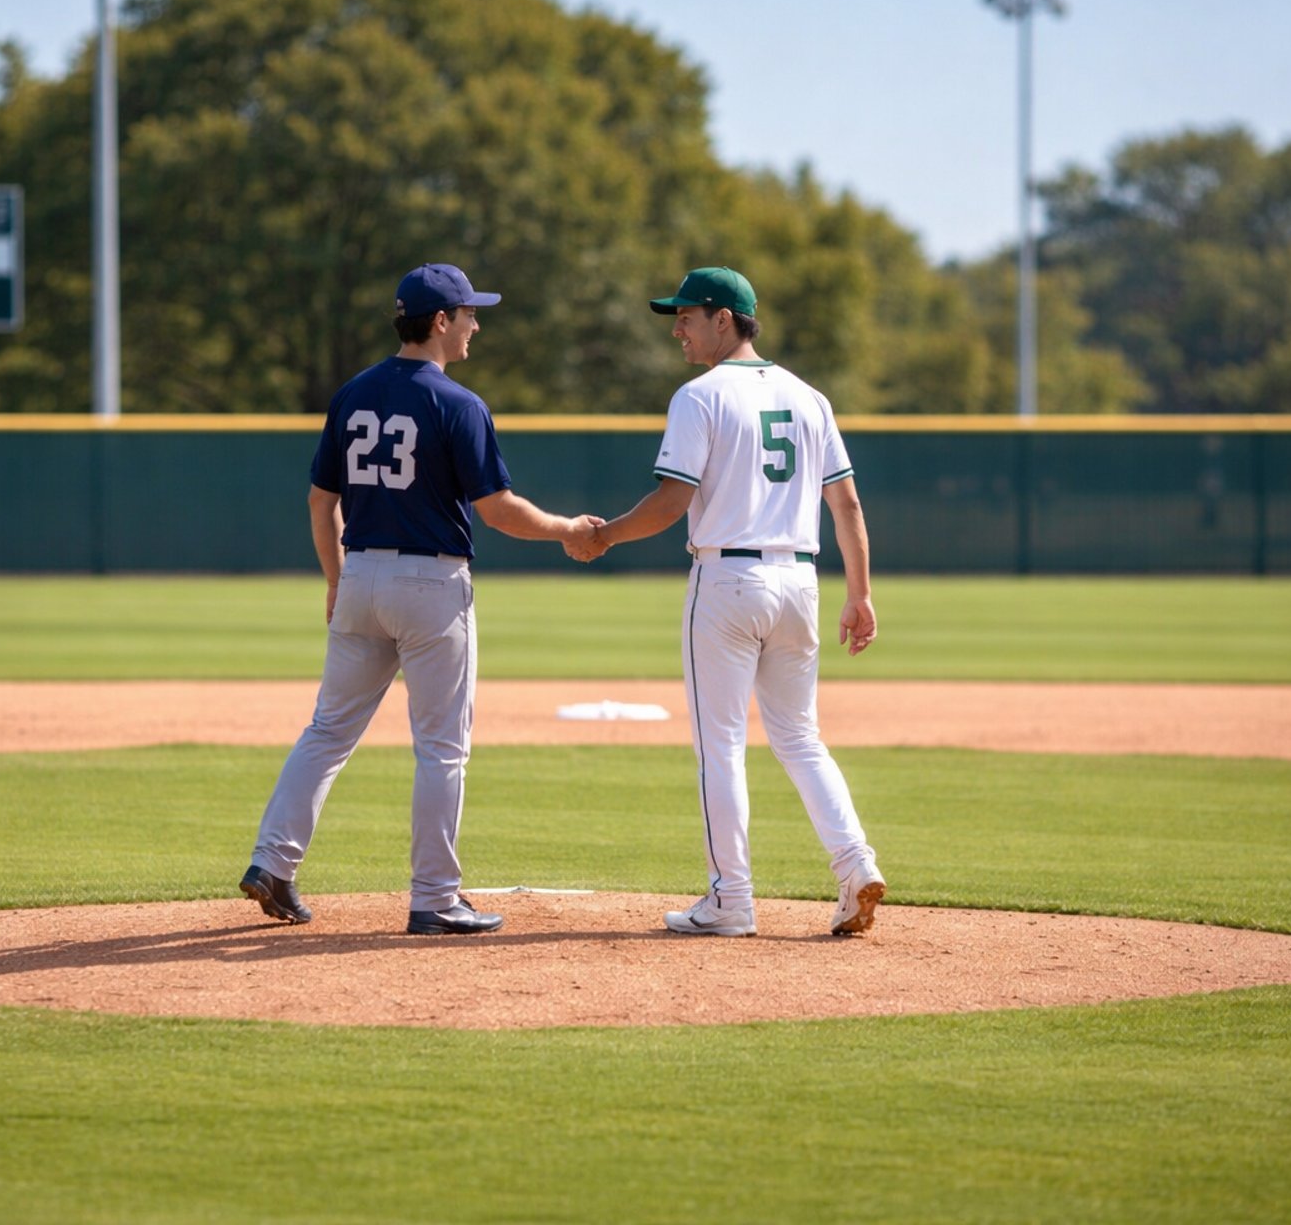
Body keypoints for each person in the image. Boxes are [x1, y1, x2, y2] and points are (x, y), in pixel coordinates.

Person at [240, 263, 603, 936]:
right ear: (440, 321)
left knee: (326, 732)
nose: (475, 325)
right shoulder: (458, 404)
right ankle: (435, 897)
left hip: (360, 575)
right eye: (468, 313)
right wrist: (566, 530)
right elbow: (498, 510)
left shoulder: (352, 393)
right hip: (431, 585)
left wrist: (336, 579)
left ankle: (272, 862)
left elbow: (321, 501)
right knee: (441, 748)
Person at [574, 266, 886, 937]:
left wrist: (604, 537)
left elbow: (671, 503)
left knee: (720, 746)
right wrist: (860, 593)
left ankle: (731, 900)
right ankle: (856, 863)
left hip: (727, 579)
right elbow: (847, 505)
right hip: (799, 581)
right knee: (800, 739)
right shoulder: (810, 397)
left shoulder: (700, 396)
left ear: (725, 319)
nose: (678, 329)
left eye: (687, 316)